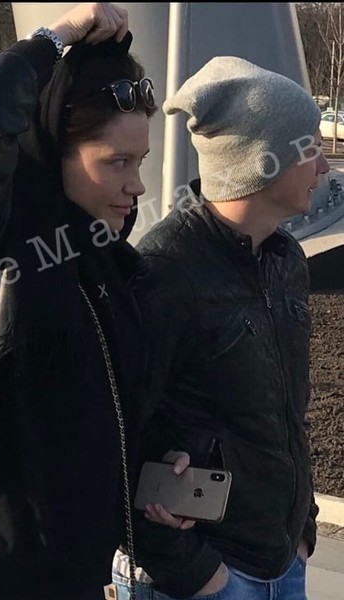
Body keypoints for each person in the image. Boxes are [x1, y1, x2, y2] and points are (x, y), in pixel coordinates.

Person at [0, 3, 159, 599]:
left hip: (79, 573)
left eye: (141, 161)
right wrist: (56, 35)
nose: (138, 185)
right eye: (117, 162)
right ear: (52, 148)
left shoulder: (105, 260)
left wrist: (164, 464)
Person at [113, 56, 330, 599]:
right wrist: (199, 575)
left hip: (284, 562)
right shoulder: (165, 272)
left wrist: (302, 530)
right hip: (208, 577)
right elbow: (113, 437)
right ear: (262, 161)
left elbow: (287, 413)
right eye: (310, 148)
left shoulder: (286, 260)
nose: (324, 166)